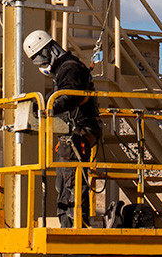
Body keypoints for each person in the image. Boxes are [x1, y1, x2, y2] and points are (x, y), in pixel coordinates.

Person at [23, 30, 103, 226]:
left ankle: (74, 222)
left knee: (70, 177)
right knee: (64, 178)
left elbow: (71, 97)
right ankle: (68, 220)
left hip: (80, 130)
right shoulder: (63, 70)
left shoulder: (70, 68)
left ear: (49, 50)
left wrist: (46, 108)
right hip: (73, 132)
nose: (40, 64)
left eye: (39, 59)